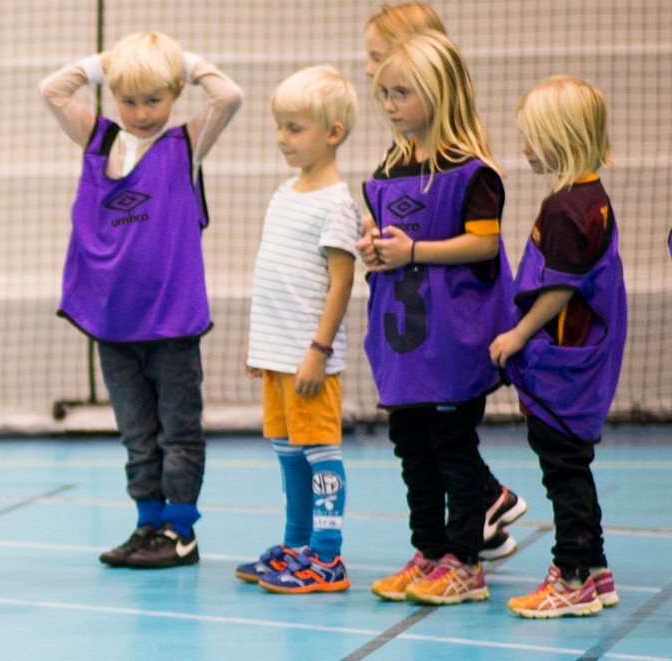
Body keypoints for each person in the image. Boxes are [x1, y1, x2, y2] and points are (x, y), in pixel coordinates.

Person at [39, 32, 242, 568]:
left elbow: (230, 97)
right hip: (113, 323)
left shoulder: (185, 145)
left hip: (171, 323)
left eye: (153, 99)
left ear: (174, 92)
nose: (141, 112)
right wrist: (109, 65)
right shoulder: (98, 139)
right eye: (129, 99)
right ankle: (147, 524)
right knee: (137, 435)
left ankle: (180, 532)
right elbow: (52, 91)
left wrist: (185, 60)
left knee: (179, 431)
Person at [363, 2, 526, 563]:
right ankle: (429, 554)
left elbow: (482, 243)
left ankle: (463, 561)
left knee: (452, 450)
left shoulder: (470, 170)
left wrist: (412, 250)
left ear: (436, 92)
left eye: (398, 91)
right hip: (404, 340)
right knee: (413, 449)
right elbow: (392, 226)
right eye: (384, 93)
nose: (387, 103)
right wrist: (377, 246)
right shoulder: (391, 166)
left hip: (451, 338)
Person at [490, 76, 624, 618]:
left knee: (563, 469)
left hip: (564, 366)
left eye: (531, 138)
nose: (524, 148)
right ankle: (594, 570)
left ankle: (570, 575)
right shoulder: (590, 196)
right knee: (574, 466)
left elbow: (563, 285)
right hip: (580, 362)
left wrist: (518, 334)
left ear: (561, 137)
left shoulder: (567, 208)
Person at [234, 66, 360, 593]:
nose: (282, 139)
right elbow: (274, 276)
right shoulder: (285, 193)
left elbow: (340, 284)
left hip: (309, 358)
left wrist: (317, 350)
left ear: (332, 133)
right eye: (280, 127)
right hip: (277, 356)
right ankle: (297, 544)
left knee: (319, 452)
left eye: (295, 128)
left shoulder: (337, 204)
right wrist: (261, 346)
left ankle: (327, 557)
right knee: (288, 451)